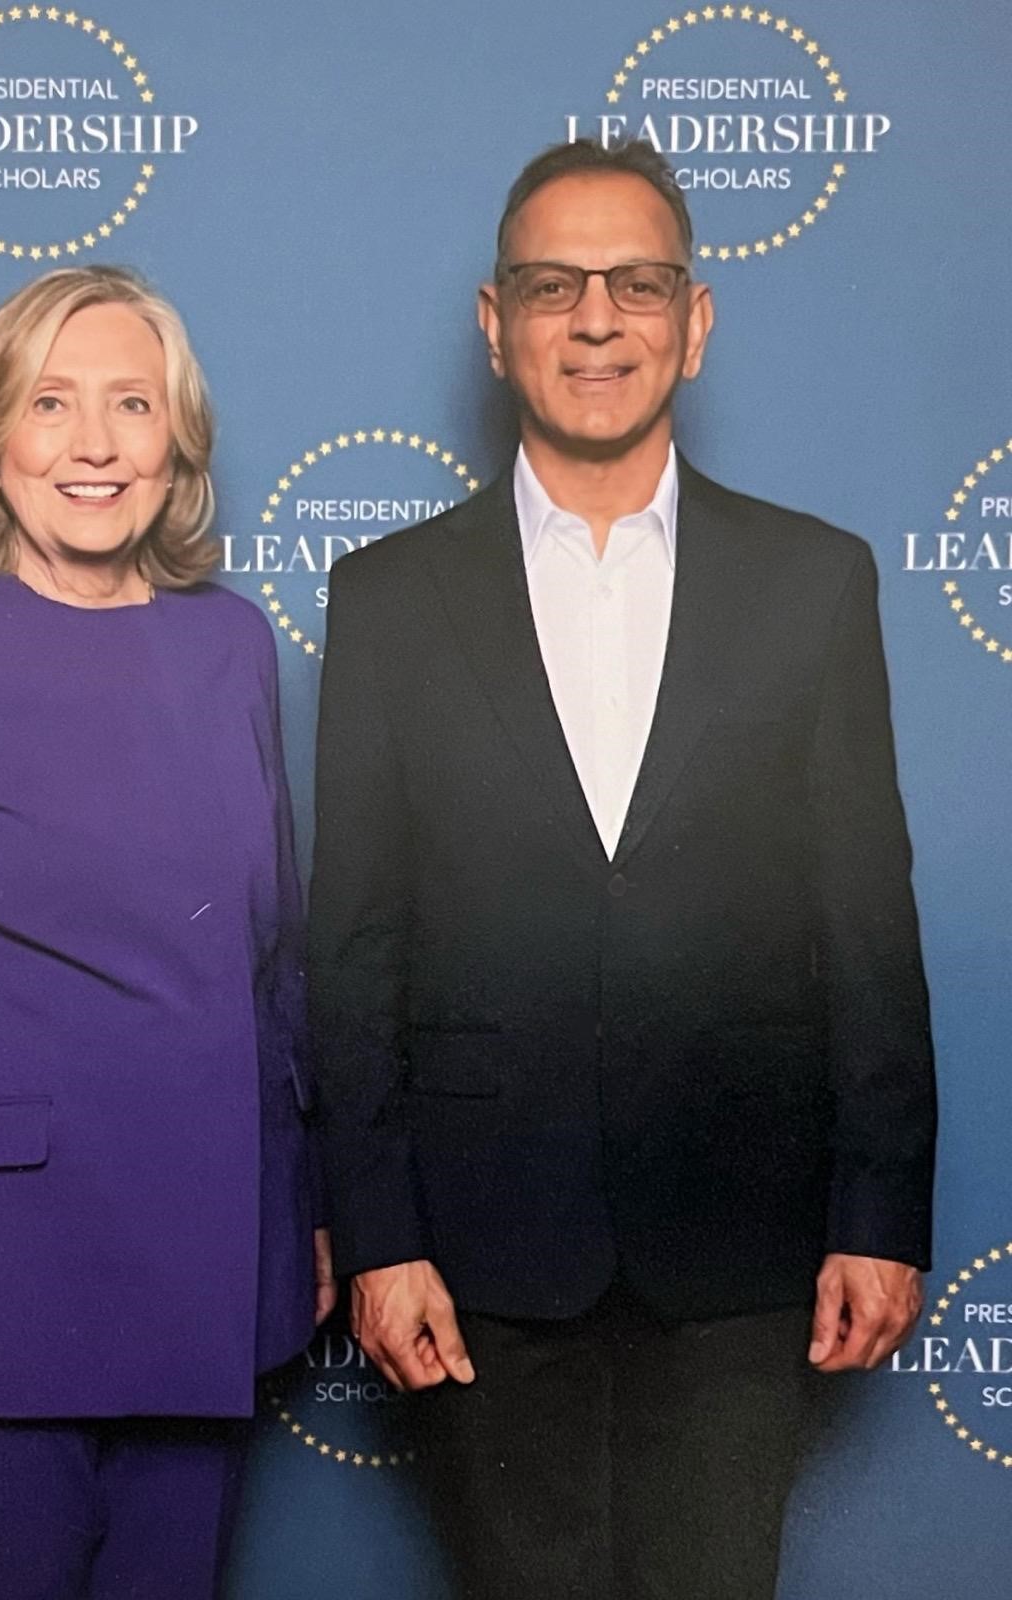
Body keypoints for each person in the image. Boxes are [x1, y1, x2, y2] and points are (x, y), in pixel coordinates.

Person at [308, 139, 935, 1600]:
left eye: (636, 284)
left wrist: (880, 1218)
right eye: (553, 286)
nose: (597, 320)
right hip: (478, 1258)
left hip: (743, 1249)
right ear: (496, 324)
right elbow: (354, 946)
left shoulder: (816, 581)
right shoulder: (386, 598)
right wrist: (382, 1238)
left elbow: (867, 918)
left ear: (693, 321)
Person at [0, 264, 334, 1600]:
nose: (94, 443)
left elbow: (273, 971)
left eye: (132, 404)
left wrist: (305, 1215)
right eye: (51, 403)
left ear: (177, 443)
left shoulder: (233, 649)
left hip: (207, 1282)